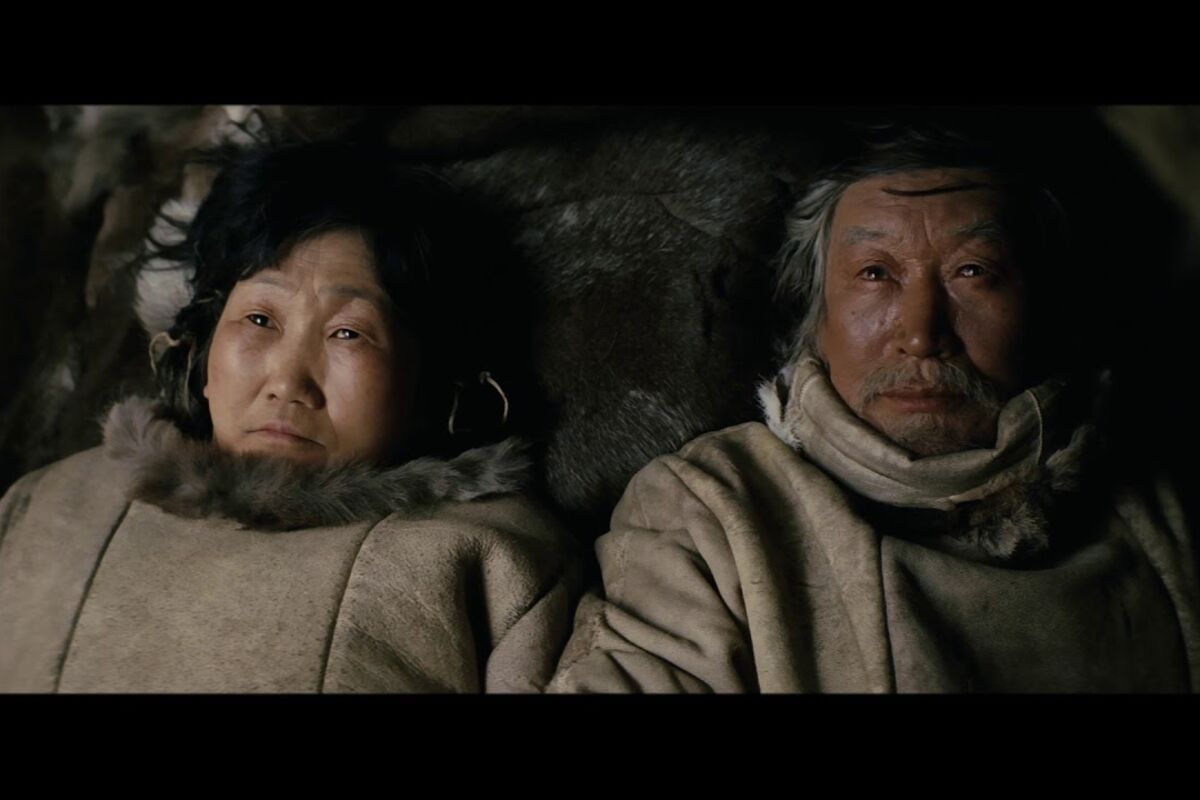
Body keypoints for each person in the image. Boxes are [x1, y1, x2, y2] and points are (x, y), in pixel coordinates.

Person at [550, 128, 1200, 693]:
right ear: (816, 321)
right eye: (873, 273)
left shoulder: (1154, 504)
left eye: (974, 271)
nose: (920, 334)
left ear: (1045, 312)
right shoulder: (711, 511)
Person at [0, 139, 579, 693]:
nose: (287, 383)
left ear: (430, 387)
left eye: (348, 333)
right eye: (259, 319)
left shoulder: (494, 558)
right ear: (199, 353)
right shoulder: (47, 507)